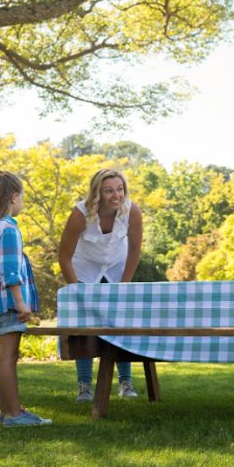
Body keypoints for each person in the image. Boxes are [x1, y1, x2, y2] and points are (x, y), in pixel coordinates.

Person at [0, 170, 52, 427]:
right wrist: (21, 302)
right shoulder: (8, 229)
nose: (22, 202)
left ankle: (7, 411)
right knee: (8, 356)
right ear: (13, 197)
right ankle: (15, 414)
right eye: (22, 197)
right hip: (7, 302)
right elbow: (10, 272)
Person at [58, 168, 143, 402]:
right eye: (109, 191)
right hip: (84, 269)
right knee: (84, 326)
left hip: (116, 269)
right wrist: (75, 289)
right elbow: (64, 255)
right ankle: (84, 385)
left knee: (120, 324)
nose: (116, 195)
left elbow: (135, 250)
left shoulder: (132, 211)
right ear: (98, 193)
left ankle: (125, 382)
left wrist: (123, 285)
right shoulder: (80, 213)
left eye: (120, 189)